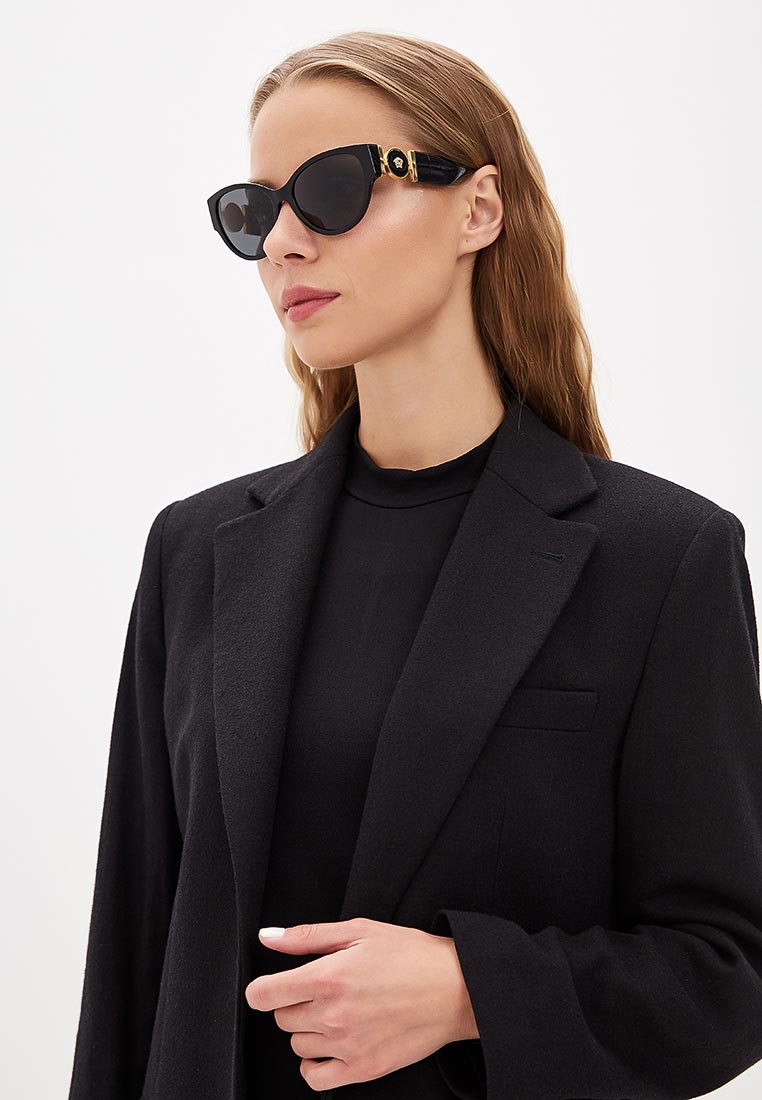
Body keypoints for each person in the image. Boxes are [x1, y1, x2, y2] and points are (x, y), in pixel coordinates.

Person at [67, 29, 762, 1100]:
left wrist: (471, 986)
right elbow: (131, 957)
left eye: (332, 188)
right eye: (255, 211)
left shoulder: (663, 559)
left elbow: (731, 973)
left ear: (478, 209)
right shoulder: (195, 550)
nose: (283, 243)